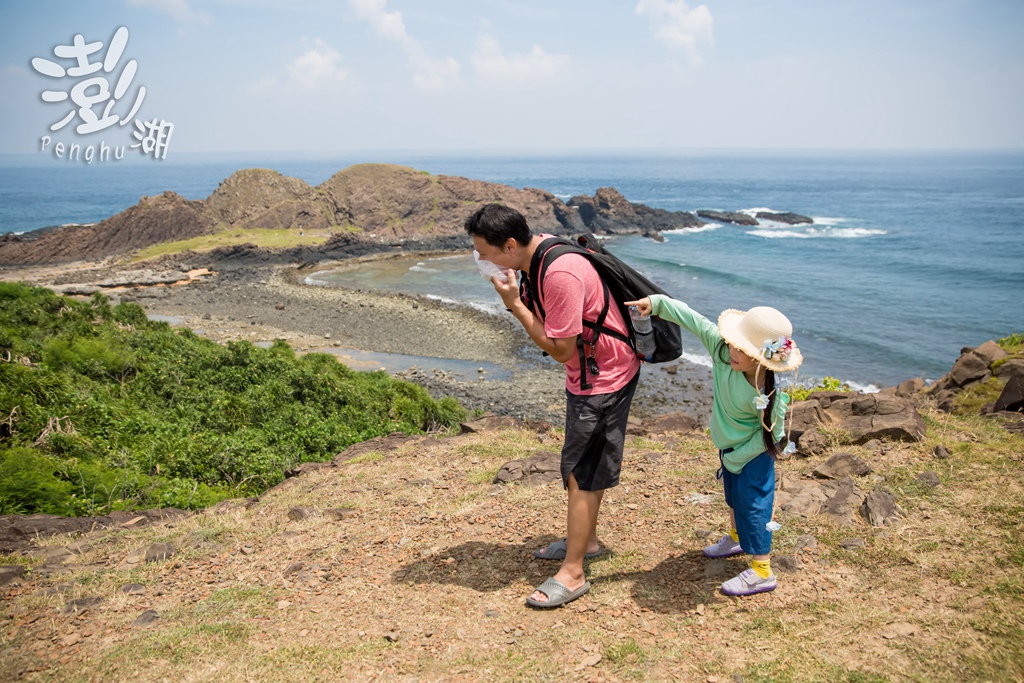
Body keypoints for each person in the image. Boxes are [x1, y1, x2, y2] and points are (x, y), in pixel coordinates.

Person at [464, 204, 641, 609]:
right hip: (593, 371)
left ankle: (574, 573)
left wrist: (514, 305)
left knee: (581, 470)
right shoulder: (537, 252)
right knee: (587, 466)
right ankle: (587, 541)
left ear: (510, 245)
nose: (480, 260)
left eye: (484, 252)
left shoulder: (558, 273)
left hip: (603, 378)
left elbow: (560, 350)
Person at [625, 295, 802, 596]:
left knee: (754, 505)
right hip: (728, 446)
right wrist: (656, 304)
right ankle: (735, 538)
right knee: (733, 497)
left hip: (753, 454)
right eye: (733, 342)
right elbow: (693, 319)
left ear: (761, 358)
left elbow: (772, 436)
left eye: (741, 349)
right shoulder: (723, 353)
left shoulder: (770, 392)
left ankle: (762, 571)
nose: (732, 350)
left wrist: (738, 458)